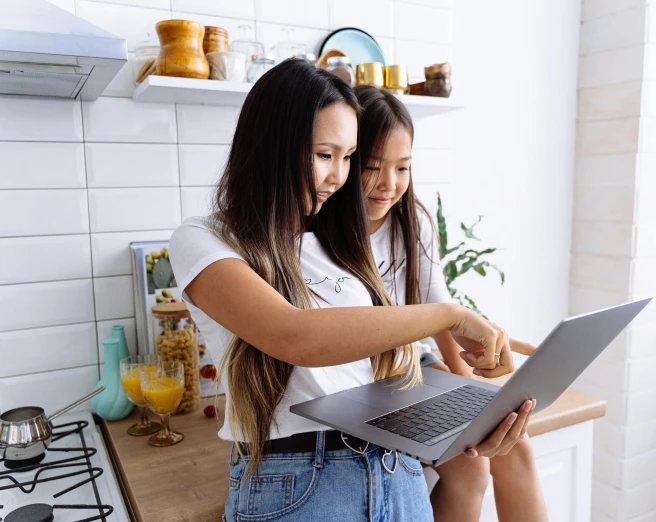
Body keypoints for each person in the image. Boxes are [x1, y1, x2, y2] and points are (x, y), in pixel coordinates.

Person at [168, 60, 535, 522]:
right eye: (325, 154)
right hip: (297, 481)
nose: (338, 177)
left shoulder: (341, 241)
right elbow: (294, 336)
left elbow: (375, 376)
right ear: (270, 146)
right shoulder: (205, 239)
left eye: (347, 157)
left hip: (396, 473)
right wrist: (445, 314)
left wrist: (468, 423)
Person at [356, 84, 549, 522]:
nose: (390, 184)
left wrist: (476, 399)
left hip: (412, 367)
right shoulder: (322, 236)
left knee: (514, 448)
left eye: (403, 167)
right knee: (472, 466)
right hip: (361, 379)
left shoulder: (413, 221)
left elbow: (442, 314)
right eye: (372, 167)